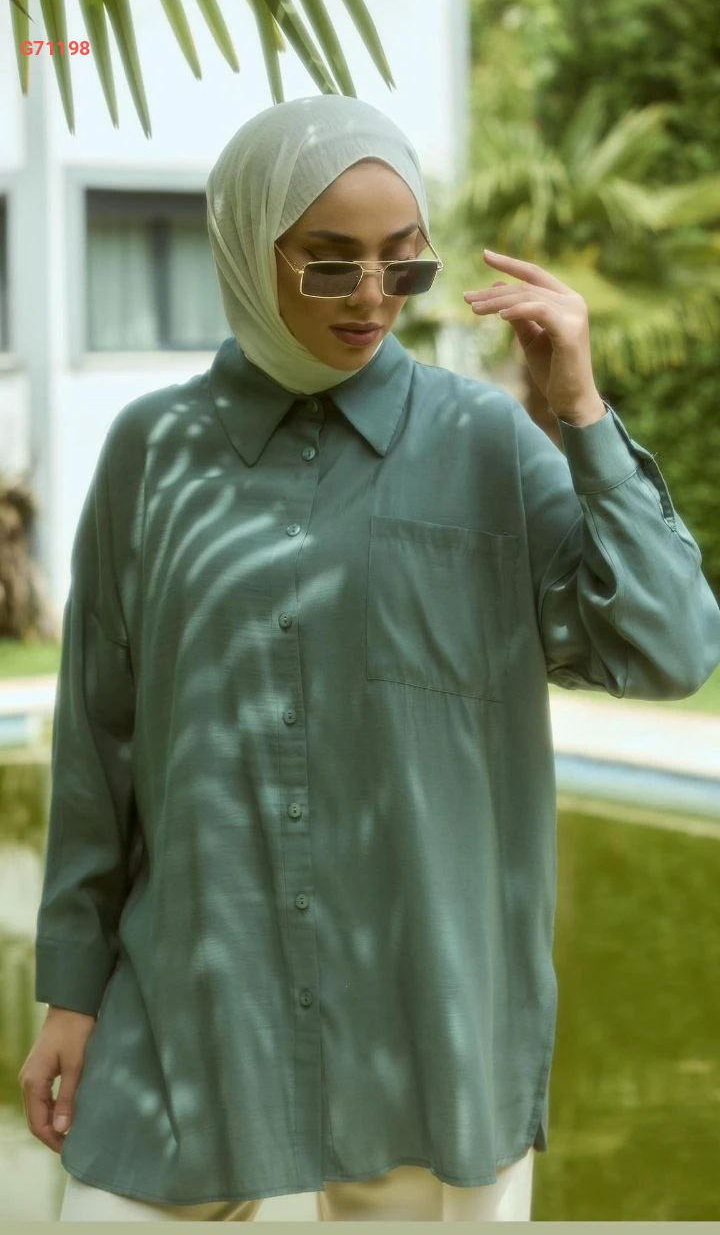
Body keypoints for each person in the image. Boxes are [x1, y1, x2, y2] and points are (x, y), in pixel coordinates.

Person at [18, 94, 720, 1223]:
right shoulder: (155, 451)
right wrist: (70, 988)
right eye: (331, 263)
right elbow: (100, 738)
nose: (374, 299)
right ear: (250, 249)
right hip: (196, 995)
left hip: (431, 1010)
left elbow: (672, 647)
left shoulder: (486, 442)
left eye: (406, 263)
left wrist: (582, 411)